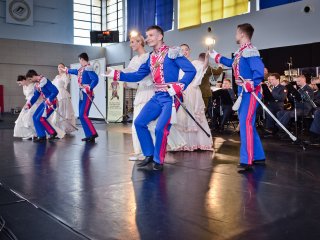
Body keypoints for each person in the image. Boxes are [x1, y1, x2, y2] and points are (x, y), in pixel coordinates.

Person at [105, 25, 196, 170]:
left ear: (160, 36)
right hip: (157, 96)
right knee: (139, 122)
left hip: (171, 98)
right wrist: (115, 74)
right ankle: (148, 154)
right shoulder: (150, 57)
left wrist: (180, 85)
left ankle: (158, 160)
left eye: (151, 35)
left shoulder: (172, 52)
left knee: (161, 128)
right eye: (147, 36)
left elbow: (191, 70)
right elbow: (137, 75)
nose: (148, 38)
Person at [209, 23, 266, 172]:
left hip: (250, 91)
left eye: (236, 33)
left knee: (246, 123)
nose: (235, 35)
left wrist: (252, 83)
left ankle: (247, 160)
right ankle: (258, 156)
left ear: (242, 34)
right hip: (243, 91)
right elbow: (231, 63)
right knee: (248, 124)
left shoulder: (250, 50)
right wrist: (216, 56)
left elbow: (258, 70)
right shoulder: (241, 52)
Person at [175, 44, 213, 151]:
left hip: (193, 91)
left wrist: (206, 58)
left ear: (189, 50)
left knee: (195, 115)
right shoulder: (177, 65)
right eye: (182, 50)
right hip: (181, 91)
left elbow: (204, 67)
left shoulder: (195, 63)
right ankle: (182, 143)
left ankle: (197, 142)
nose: (184, 52)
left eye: (186, 49)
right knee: (181, 117)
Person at [63, 53, 99, 142]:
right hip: (81, 93)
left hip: (87, 93)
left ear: (82, 59)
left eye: (80, 61)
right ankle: (88, 135)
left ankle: (93, 133)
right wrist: (67, 70)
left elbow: (95, 79)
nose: (80, 62)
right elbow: (76, 71)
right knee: (81, 115)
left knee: (83, 114)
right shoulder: (82, 68)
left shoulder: (88, 68)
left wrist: (89, 87)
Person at [24, 70, 59, 143]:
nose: (30, 81)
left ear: (33, 76)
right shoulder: (37, 84)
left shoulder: (44, 80)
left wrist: (49, 99)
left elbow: (55, 91)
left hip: (51, 102)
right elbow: (36, 96)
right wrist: (29, 104)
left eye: (30, 79)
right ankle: (41, 135)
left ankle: (52, 132)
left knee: (40, 118)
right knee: (35, 117)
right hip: (45, 102)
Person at [52, 63, 76, 134]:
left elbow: (66, 83)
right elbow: (52, 84)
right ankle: (58, 128)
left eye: (61, 67)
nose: (59, 68)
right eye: (58, 67)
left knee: (63, 112)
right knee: (57, 111)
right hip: (56, 94)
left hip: (63, 95)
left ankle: (64, 128)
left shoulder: (66, 75)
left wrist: (66, 72)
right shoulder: (56, 76)